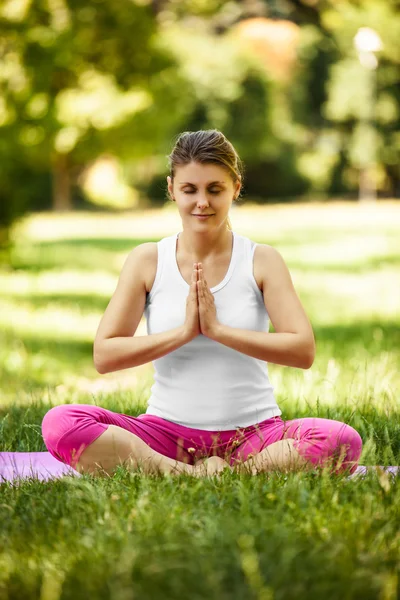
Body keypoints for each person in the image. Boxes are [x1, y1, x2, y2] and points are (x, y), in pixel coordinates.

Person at [41, 129, 363, 478]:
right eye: (189, 189)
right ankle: (194, 474)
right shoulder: (148, 260)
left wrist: (217, 330)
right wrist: (184, 333)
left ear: (236, 188)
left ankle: (220, 470)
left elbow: (302, 350)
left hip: (253, 435)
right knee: (61, 423)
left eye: (215, 189)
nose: (202, 202)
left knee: (343, 441)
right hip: (165, 433)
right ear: (171, 189)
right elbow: (105, 355)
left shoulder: (262, 260)